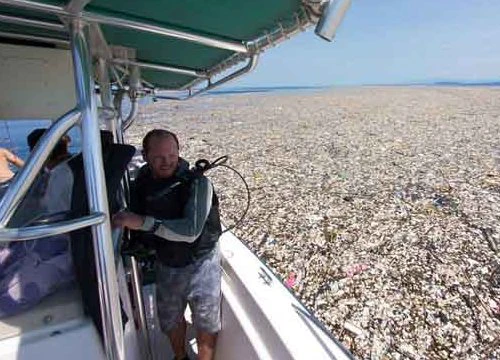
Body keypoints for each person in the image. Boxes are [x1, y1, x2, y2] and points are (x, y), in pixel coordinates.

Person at [113, 129, 222, 360]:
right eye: (159, 157)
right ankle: (180, 356)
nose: (167, 162)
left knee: (206, 320)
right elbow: (136, 209)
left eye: (172, 155)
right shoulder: (142, 181)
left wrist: (143, 223)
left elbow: (191, 232)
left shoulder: (198, 184)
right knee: (170, 317)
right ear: (146, 156)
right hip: (166, 261)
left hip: (201, 261)